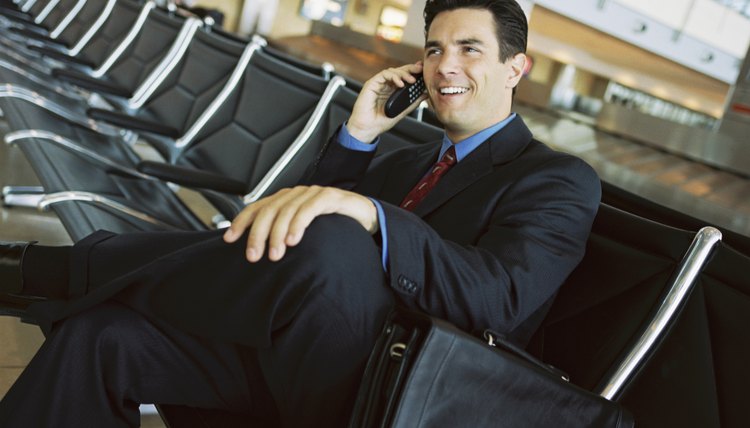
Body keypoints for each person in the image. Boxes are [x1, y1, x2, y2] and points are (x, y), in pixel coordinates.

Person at [0, 0, 601, 426]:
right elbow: (286, 227)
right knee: (103, 336)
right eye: (435, 48)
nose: (446, 66)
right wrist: (360, 133)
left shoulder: (557, 178)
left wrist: (370, 214)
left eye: (470, 49)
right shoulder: (409, 159)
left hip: (402, 387)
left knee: (338, 234)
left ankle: (53, 270)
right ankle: (67, 275)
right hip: (300, 352)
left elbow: (500, 300)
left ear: (514, 68)